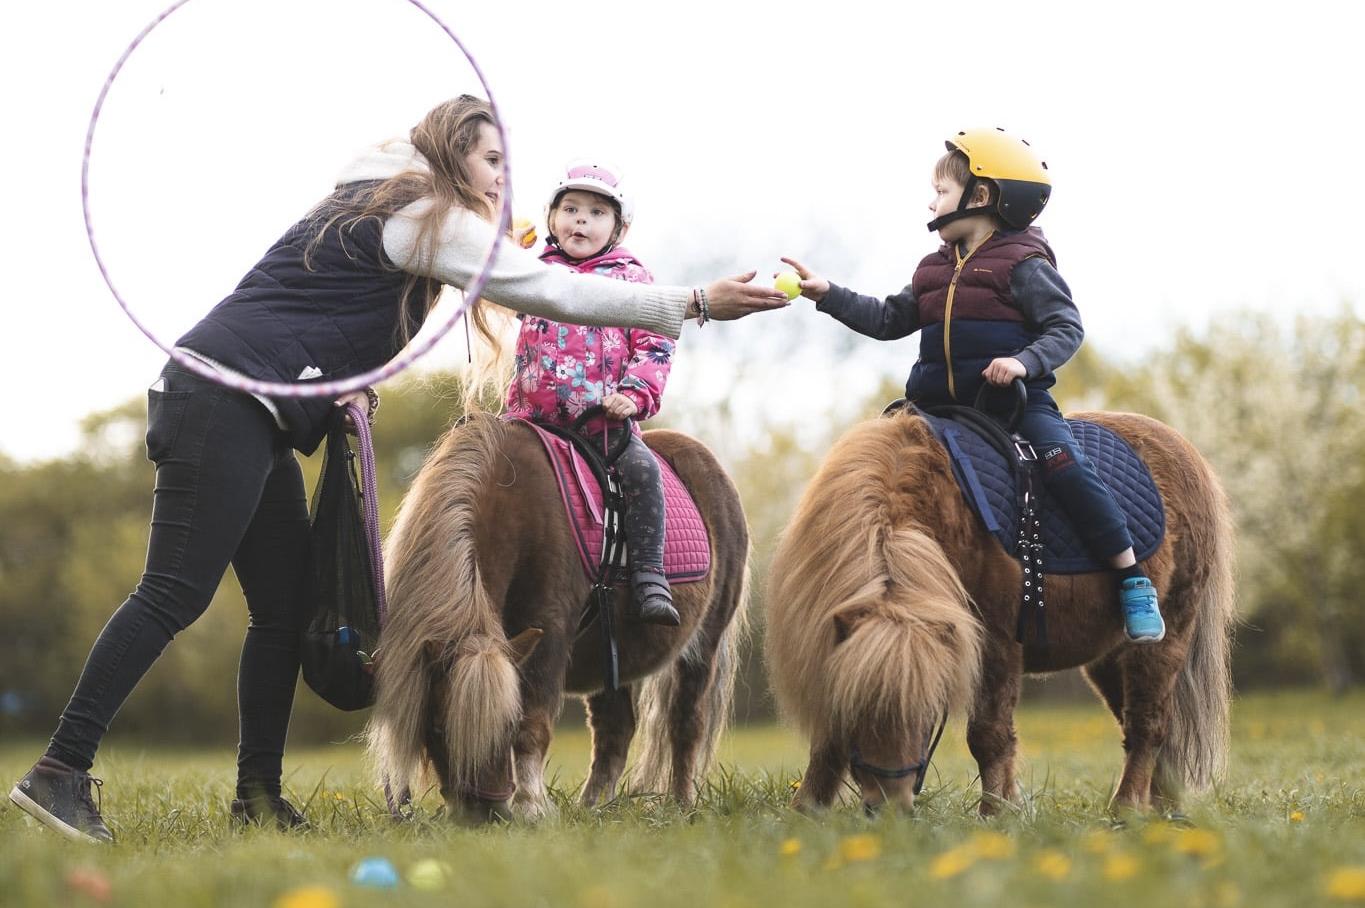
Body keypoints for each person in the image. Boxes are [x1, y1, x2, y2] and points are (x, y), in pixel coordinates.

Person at [7, 95, 787, 844]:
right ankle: (60, 770)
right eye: (488, 160)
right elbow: (555, 289)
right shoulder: (426, 215)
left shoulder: (380, 196)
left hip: (258, 414)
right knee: (173, 591)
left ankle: (259, 795)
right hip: (219, 400)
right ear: (451, 154)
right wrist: (694, 301)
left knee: (281, 614)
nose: (497, 180)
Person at [779, 128, 1165, 647]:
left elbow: (1065, 328)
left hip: (1013, 408)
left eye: (940, 191)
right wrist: (828, 294)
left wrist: (1023, 363)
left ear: (980, 197)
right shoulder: (932, 270)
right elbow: (890, 319)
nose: (931, 202)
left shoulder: (1026, 265)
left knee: (1063, 464)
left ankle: (1130, 574)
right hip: (935, 411)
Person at [505, 161, 678, 625]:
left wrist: (635, 393)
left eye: (596, 213)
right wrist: (502, 251)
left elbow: (655, 342)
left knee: (642, 472)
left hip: (602, 424)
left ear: (618, 227)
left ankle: (648, 575)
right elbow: (490, 295)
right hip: (531, 421)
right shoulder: (535, 271)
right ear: (552, 219)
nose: (581, 220)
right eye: (571, 209)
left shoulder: (631, 279)